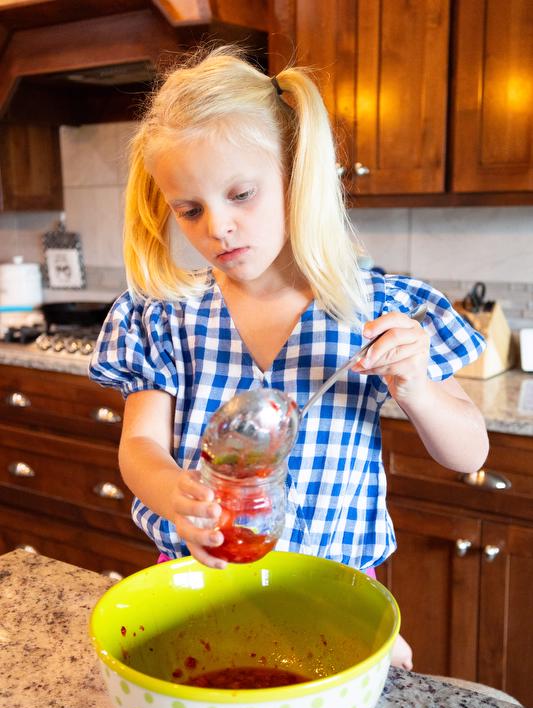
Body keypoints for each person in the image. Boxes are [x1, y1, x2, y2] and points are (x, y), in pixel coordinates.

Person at [89, 45, 488, 671]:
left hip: (336, 595)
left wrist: (416, 385)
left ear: (297, 175)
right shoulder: (163, 313)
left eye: (241, 194)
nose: (216, 227)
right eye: (189, 210)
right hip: (200, 586)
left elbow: (469, 452)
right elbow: (139, 447)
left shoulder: (375, 309)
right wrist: (172, 493)